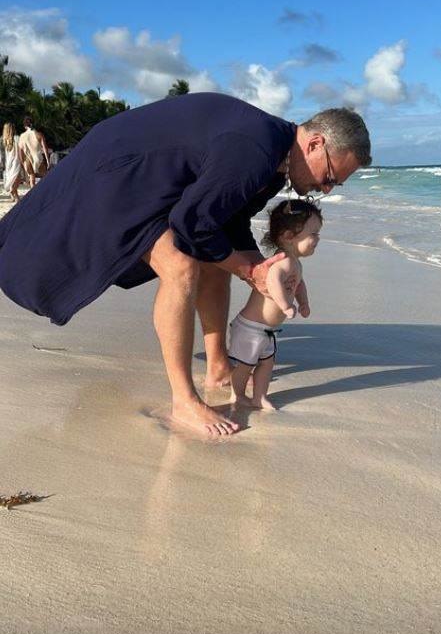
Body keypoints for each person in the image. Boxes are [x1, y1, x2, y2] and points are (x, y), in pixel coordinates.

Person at [0, 93, 371, 437]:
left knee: (215, 257)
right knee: (182, 265)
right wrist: (249, 270)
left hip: (149, 177)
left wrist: (265, 266)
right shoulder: (256, 148)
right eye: (330, 178)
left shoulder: (277, 160)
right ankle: (183, 401)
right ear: (315, 144)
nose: (327, 190)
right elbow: (193, 225)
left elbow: (228, 221)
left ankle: (217, 366)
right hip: (120, 174)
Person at [230, 200, 322, 410]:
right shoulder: (282, 261)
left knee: (266, 364)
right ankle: (236, 395)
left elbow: (298, 285)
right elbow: (272, 280)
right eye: (313, 234)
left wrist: (304, 302)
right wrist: (285, 305)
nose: (317, 239)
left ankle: (259, 397)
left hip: (268, 329)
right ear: (289, 236)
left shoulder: (295, 263)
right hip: (251, 327)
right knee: (245, 366)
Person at [18, 117, 50, 187]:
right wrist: (48, 161)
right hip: (38, 158)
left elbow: (20, 152)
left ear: (25, 126)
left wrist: (22, 163)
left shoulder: (22, 136)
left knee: (32, 179)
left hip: (27, 160)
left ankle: (34, 195)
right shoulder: (39, 134)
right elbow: (45, 149)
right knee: (45, 177)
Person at [2, 123, 23, 203]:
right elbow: (20, 151)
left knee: (12, 178)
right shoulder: (17, 138)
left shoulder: (5, 140)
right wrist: (22, 161)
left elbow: (4, 154)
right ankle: (14, 193)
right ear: (13, 129)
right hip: (16, 161)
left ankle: (14, 196)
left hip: (9, 162)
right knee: (17, 179)